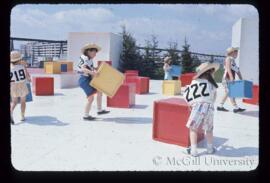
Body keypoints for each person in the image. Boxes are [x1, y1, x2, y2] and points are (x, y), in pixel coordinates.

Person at [184, 62, 220, 157]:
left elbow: (187, 94)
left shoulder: (194, 82)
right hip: (209, 107)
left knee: (193, 128)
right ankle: (209, 149)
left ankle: (194, 151)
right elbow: (214, 98)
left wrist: (191, 103)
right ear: (210, 73)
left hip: (197, 106)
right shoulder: (212, 84)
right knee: (209, 129)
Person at [77, 43, 110, 121]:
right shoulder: (84, 57)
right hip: (84, 80)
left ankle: (99, 110)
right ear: (89, 51)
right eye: (94, 52)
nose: (95, 55)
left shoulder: (90, 59)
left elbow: (91, 68)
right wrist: (93, 73)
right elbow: (83, 69)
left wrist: (95, 69)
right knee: (90, 99)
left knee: (99, 91)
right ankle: (86, 115)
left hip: (89, 79)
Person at [217, 47, 245, 113]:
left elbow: (237, 70)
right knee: (230, 92)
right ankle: (235, 107)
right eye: (236, 52)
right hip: (227, 78)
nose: (237, 53)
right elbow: (228, 69)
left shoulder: (233, 60)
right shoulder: (228, 59)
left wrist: (241, 79)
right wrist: (231, 77)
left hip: (229, 78)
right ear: (232, 52)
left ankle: (221, 106)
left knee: (229, 92)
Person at [10, 51, 31, 124]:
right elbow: (28, 77)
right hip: (22, 85)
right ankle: (22, 116)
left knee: (14, 102)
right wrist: (29, 79)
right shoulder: (22, 66)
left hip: (13, 85)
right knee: (23, 101)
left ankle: (10, 112)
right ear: (19, 59)